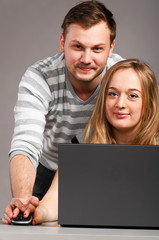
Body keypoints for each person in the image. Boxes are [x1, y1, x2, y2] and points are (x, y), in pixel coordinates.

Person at [3, 0, 123, 224]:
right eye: (77, 47)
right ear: (62, 43)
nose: (86, 59)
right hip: (48, 170)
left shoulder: (123, 76)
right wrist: (22, 198)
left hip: (104, 170)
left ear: (111, 48)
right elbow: (25, 143)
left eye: (97, 48)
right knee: (27, 226)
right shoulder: (39, 77)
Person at [26, 58, 159, 225]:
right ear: (103, 99)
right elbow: (54, 201)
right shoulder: (81, 145)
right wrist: (37, 213)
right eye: (113, 94)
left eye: (132, 96)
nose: (120, 104)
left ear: (148, 102)